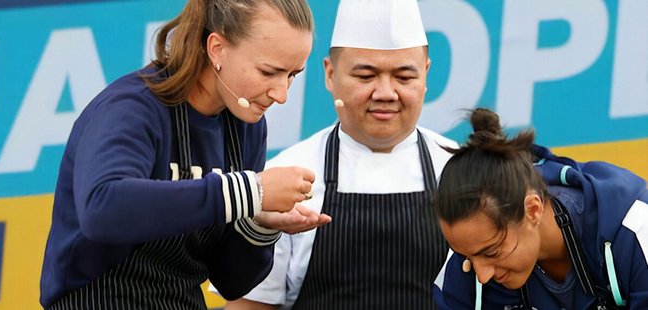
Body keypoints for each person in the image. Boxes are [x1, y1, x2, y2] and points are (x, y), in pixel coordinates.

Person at [39, 1, 332, 309]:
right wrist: (248, 192)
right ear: (217, 48)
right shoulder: (132, 109)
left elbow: (231, 282)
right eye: (268, 72)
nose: (281, 94)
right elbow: (102, 208)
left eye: (292, 75)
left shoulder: (247, 128)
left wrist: (259, 224)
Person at [217, 0, 456, 308]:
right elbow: (252, 305)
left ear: (426, 74)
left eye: (404, 77)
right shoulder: (285, 178)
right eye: (366, 76)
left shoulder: (460, 171)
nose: (385, 93)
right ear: (330, 74)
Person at [433, 108, 648, 309]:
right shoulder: (471, 256)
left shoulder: (635, 230)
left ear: (533, 210)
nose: (482, 275)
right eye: (469, 257)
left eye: (493, 252)